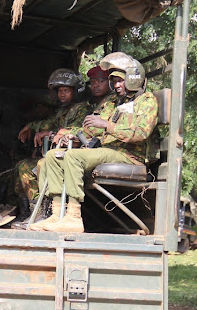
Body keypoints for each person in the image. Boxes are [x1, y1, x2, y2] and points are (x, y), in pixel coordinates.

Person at [30, 52, 158, 233]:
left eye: (120, 80)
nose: (117, 85)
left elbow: (141, 133)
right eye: (114, 81)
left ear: (133, 79)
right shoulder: (113, 102)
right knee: (53, 156)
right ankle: (56, 214)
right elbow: (93, 128)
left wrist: (107, 125)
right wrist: (70, 134)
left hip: (128, 155)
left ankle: (73, 218)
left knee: (74, 158)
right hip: (106, 151)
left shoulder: (146, 101)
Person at [11, 69, 89, 229]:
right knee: (22, 166)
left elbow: (77, 130)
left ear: (76, 91)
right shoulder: (63, 110)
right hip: (59, 152)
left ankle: (44, 213)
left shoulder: (83, 109)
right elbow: (48, 123)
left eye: (66, 91)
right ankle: (29, 211)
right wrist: (31, 126)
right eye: (60, 91)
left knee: (38, 165)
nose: (62, 95)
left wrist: (51, 133)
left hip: (71, 153)